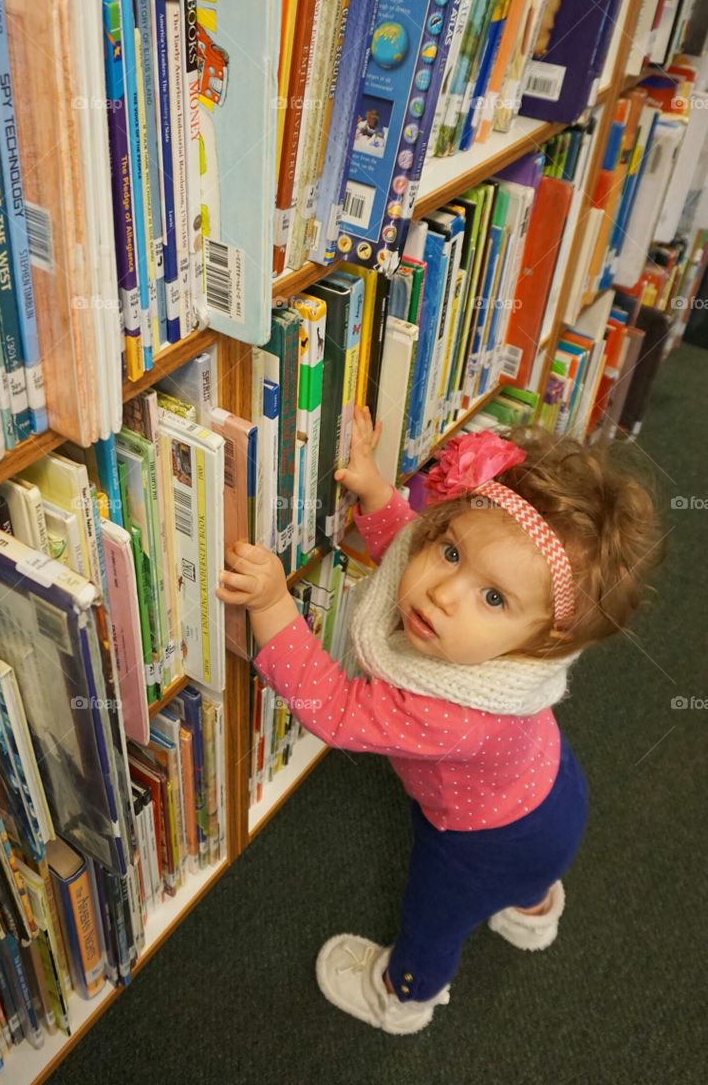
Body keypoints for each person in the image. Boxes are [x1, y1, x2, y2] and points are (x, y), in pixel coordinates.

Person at [217, 408, 662, 1035]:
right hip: (554, 792)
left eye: (493, 598)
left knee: (431, 924)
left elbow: (336, 710)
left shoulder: (453, 709)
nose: (442, 592)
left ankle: (403, 998)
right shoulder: (507, 654)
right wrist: (374, 490)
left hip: (478, 842)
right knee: (530, 875)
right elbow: (408, 548)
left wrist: (270, 604)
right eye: (451, 550)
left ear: (544, 634)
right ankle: (532, 910)